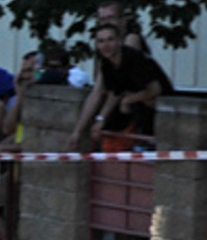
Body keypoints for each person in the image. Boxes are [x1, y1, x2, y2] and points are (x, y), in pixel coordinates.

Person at [68, 21, 174, 150]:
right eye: (101, 41)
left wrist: (128, 100)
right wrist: (100, 119)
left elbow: (156, 89)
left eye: (110, 40)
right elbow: (114, 92)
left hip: (162, 105)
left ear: (119, 41)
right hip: (137, 105)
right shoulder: (107, 63)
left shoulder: (133, 59)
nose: (106, 45)